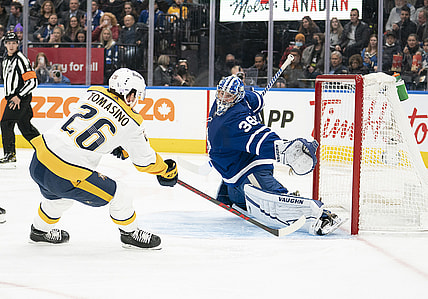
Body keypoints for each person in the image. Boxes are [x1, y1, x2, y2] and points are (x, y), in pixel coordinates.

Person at [28, 68, 178, 248]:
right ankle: (130, 234)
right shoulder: (132, 121)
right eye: (136, 96)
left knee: (60, 198)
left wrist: (113, 144)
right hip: (64, 174)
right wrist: (166, 170)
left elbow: (89, 127)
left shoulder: (92, 93)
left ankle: (39, 231)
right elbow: (146, 162)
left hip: (39, 160)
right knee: (121, 193)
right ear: (130, 95)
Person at [207, 75, 343, 235]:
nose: (222, 99)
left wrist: (285, 150)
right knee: (239, 198)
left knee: (277, 199)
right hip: (234, 172)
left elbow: (261, 138)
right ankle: (236, 197)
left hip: (248, 168)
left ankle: (320, 217)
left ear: (238, 96)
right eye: (221, 93)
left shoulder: (232, 121)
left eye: (228, 95)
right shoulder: (233, 104)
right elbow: (257, 100)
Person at [0, 32, 40, 167]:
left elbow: (33, 81)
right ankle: (44, 150)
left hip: (20, 98)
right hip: (13, 97)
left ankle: (10, 154)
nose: (11, 45)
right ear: (5, 44)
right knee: (26, 127)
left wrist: (19, 96)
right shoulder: (5, 59)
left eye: (14, 43)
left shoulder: (21, 59)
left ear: (18, 44)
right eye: (9, 43)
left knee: (6, 122)